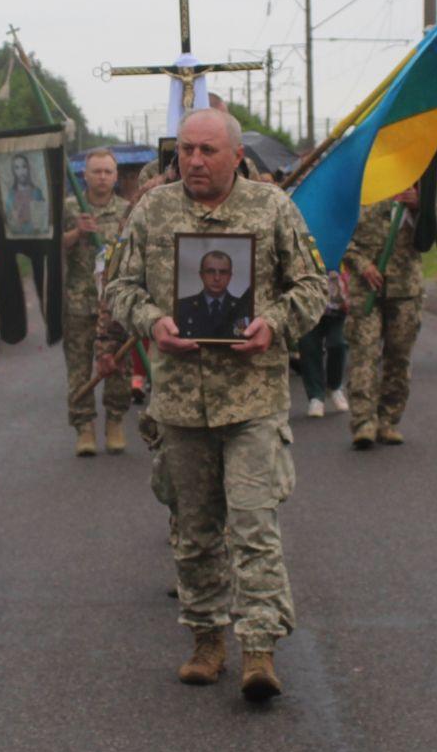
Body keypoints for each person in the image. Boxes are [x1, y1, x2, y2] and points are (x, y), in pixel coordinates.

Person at [104, 108, 327, 701]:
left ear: (235, 155)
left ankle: (259, 650)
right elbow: (119, 287)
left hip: (253, 398)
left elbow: (313, 285)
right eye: (185, 150)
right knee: (195, 530)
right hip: (179, 403)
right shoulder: (153, 209)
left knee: (254, 526)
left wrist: (274, 324)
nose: (194, 161)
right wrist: (152, 323)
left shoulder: (271, 208)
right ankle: (207, 638)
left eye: (207, 151)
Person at [62, 147, 134, 457]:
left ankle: (115, 421)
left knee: (117, 365)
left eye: (107, 172)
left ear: (116, 177)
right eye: (96, 171)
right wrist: (78, 232)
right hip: (78, 301)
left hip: (114, 304)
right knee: (79, 369)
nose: (102, 177)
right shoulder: (70, 208)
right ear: (85, 175)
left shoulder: (127, 210)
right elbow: (51, 249)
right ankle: (84, 427)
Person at [343, 184, 424, 450]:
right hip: (365, 289)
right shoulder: (360, 186)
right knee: (364, 354)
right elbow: (339, 234)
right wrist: (361, 265)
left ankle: (388, 420)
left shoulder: (416, 181)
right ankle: (363, 421)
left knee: (398, 357)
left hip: (405, 287)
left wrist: (418, 205)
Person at [296, 269, 349, 419]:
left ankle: (334, 386)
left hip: (338, 306)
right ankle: (316, 397)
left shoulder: (339, 246)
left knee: (338, 344)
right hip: (308, 306)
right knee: (309, 349)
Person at [173, 250, 254, 340]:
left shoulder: (244, 309)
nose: (217, 278)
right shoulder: (181, 307)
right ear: (201, 275)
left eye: (223, 272)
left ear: (230, 277)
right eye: (211, 271)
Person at [6, 153, 47, 236]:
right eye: (17, 168)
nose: (21, 172)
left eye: (24, 167)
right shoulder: (10, 195)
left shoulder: (37, 192)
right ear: (13, 171)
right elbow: (9, 219)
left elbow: (43, 220)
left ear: (28, 169)